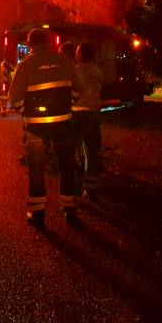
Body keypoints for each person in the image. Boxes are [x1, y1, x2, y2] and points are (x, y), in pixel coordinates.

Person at [8, 28, 84, 228]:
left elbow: (14, 98)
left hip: (36, 127)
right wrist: (67, 104)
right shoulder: (65, 61)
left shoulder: (24, 65)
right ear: (48, 42)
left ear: (30, 44)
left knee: (37, 169)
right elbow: (79, 87)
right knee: (67, 167)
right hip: (63, 123)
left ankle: (38, 214)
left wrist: (28, 112)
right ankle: (70, 210)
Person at [73, 42, 103, 202]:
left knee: (75, 152)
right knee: (92, 152)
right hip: (93, 114)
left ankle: (76, 187)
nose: (76, 55)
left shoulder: (75, 71)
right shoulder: (98, 72)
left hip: (77, 114)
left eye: (77, 52)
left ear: (81, 55)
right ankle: (91, 189)